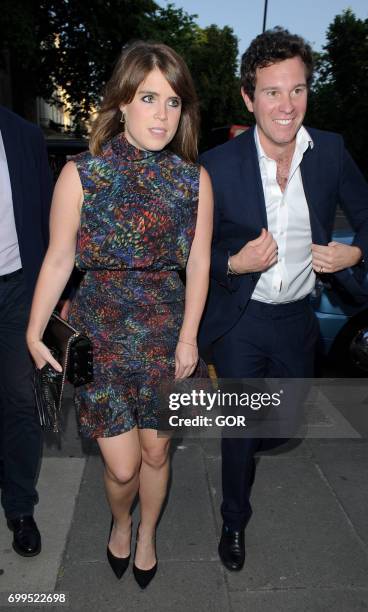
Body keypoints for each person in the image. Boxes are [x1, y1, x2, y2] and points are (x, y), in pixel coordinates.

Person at [198, 27, 368, 572]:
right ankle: (233, 520)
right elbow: (190, 252)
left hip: (298, 317)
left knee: (283, 423)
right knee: (242, 429)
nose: (286, 105)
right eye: (272, 92)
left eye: (297, 90)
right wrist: (235, 263)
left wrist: (353, 255)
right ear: (248, 98)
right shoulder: (217, 164)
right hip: (241, 319)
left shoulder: (330, 151)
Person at [26, 41, 213, 587]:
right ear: (123, 102)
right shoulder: (80, 176)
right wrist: (33, 329)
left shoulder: (192, 180)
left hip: (165, 334)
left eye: (174, 102)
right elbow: (59, 257)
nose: (162, 113)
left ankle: (148, 533)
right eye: (149, 97)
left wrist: (189, 337)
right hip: (99, 336)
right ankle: (120, 522)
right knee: (123, 465)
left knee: (156, 455)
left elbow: (199, 263)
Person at [0, 106, 53, 556]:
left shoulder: (24, 136)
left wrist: (58, 292)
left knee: (21, 400)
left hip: (18, 288)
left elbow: (48, 221)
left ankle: (20, 507)